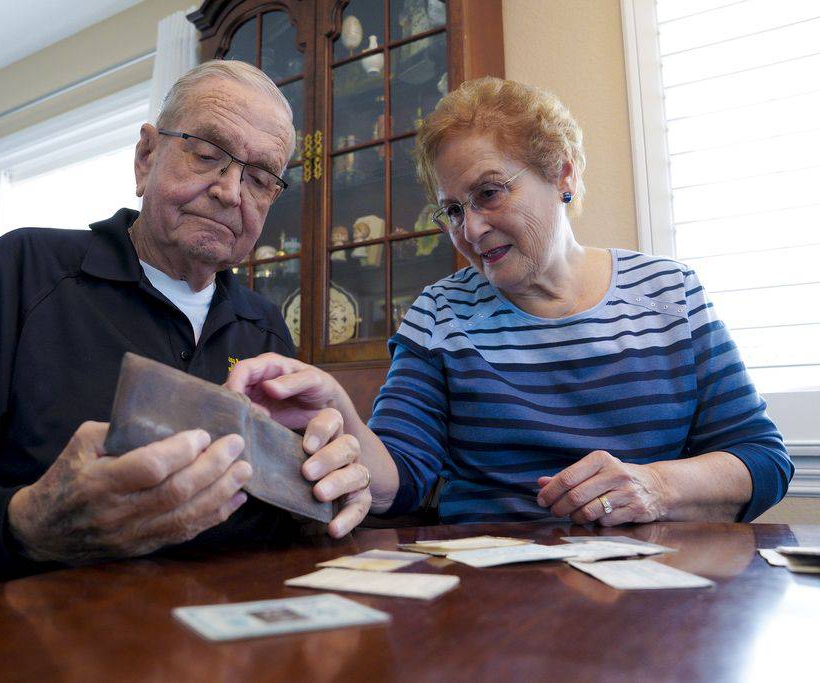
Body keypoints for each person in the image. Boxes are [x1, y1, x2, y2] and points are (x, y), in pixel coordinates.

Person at [0, 61, 371, 593]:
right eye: (208, 154)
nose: (231, 191)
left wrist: (320, 498)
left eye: (260, 178)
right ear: (146, 158)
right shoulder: (26, 271)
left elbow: (285, 520)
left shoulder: (265, 328)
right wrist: (26, 523)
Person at [226, 77, 792, 527]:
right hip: (490, 602)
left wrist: (658, 487)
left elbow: (763, 461)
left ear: (561, 174)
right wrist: (343, 417)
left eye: (489, 193)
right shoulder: (439, 316)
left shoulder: (671, 294)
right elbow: (402, 479)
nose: (470, 229)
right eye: (452, 210)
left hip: (654, 601)